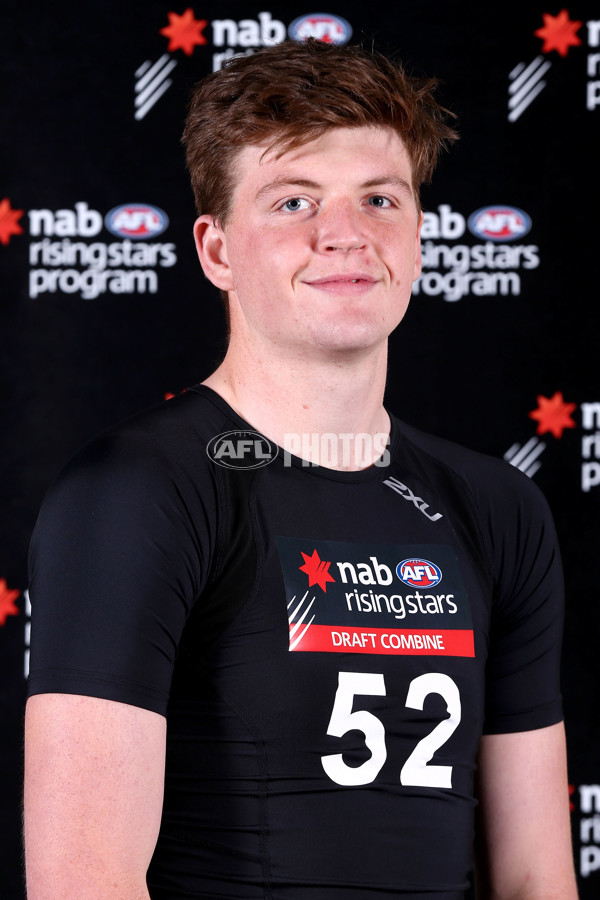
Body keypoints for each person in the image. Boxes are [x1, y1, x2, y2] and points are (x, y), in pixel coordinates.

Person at [24, 39, 577, 899]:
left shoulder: (498, 507)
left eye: (379, 199)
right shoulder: (138, 492)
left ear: (420, 236)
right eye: (292, 202)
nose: (345, 235)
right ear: (216, 251)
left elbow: (539, 876)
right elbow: (83, 879)